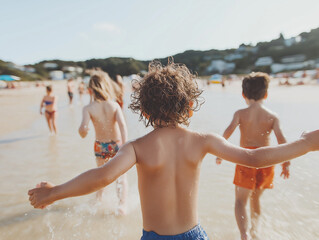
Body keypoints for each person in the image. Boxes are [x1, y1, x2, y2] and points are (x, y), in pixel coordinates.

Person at [28, 61, 319, 240]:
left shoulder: (137, 148)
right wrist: (305, 144)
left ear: (143, 109)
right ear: (190, 106)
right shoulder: (204, 140)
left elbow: (102, 177)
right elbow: (254, 158)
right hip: (196, 236)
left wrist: (54, 192)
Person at [216, 72, 290, 240]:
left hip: (246, 158)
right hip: (267, 160)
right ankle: (256, 232)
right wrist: (286, 162)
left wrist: (220, 153)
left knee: (240, 201)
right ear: (266, 94)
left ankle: (245, 235)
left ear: (243, 94)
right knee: (256, 198)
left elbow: (227, 132)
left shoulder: (240, 113)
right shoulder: (272, 116)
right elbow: (282, 141)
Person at [78, 71, 128, 214]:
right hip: (117, 144)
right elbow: (123, 126)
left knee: (101, 176)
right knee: (121, 178)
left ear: (90, 90)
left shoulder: (88, 108)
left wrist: (83, 130)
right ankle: (122, 206)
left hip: (100, 146)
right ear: (106, 87)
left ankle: (99, 200)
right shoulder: (114, 105)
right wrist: (124, 145)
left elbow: (83, 131)